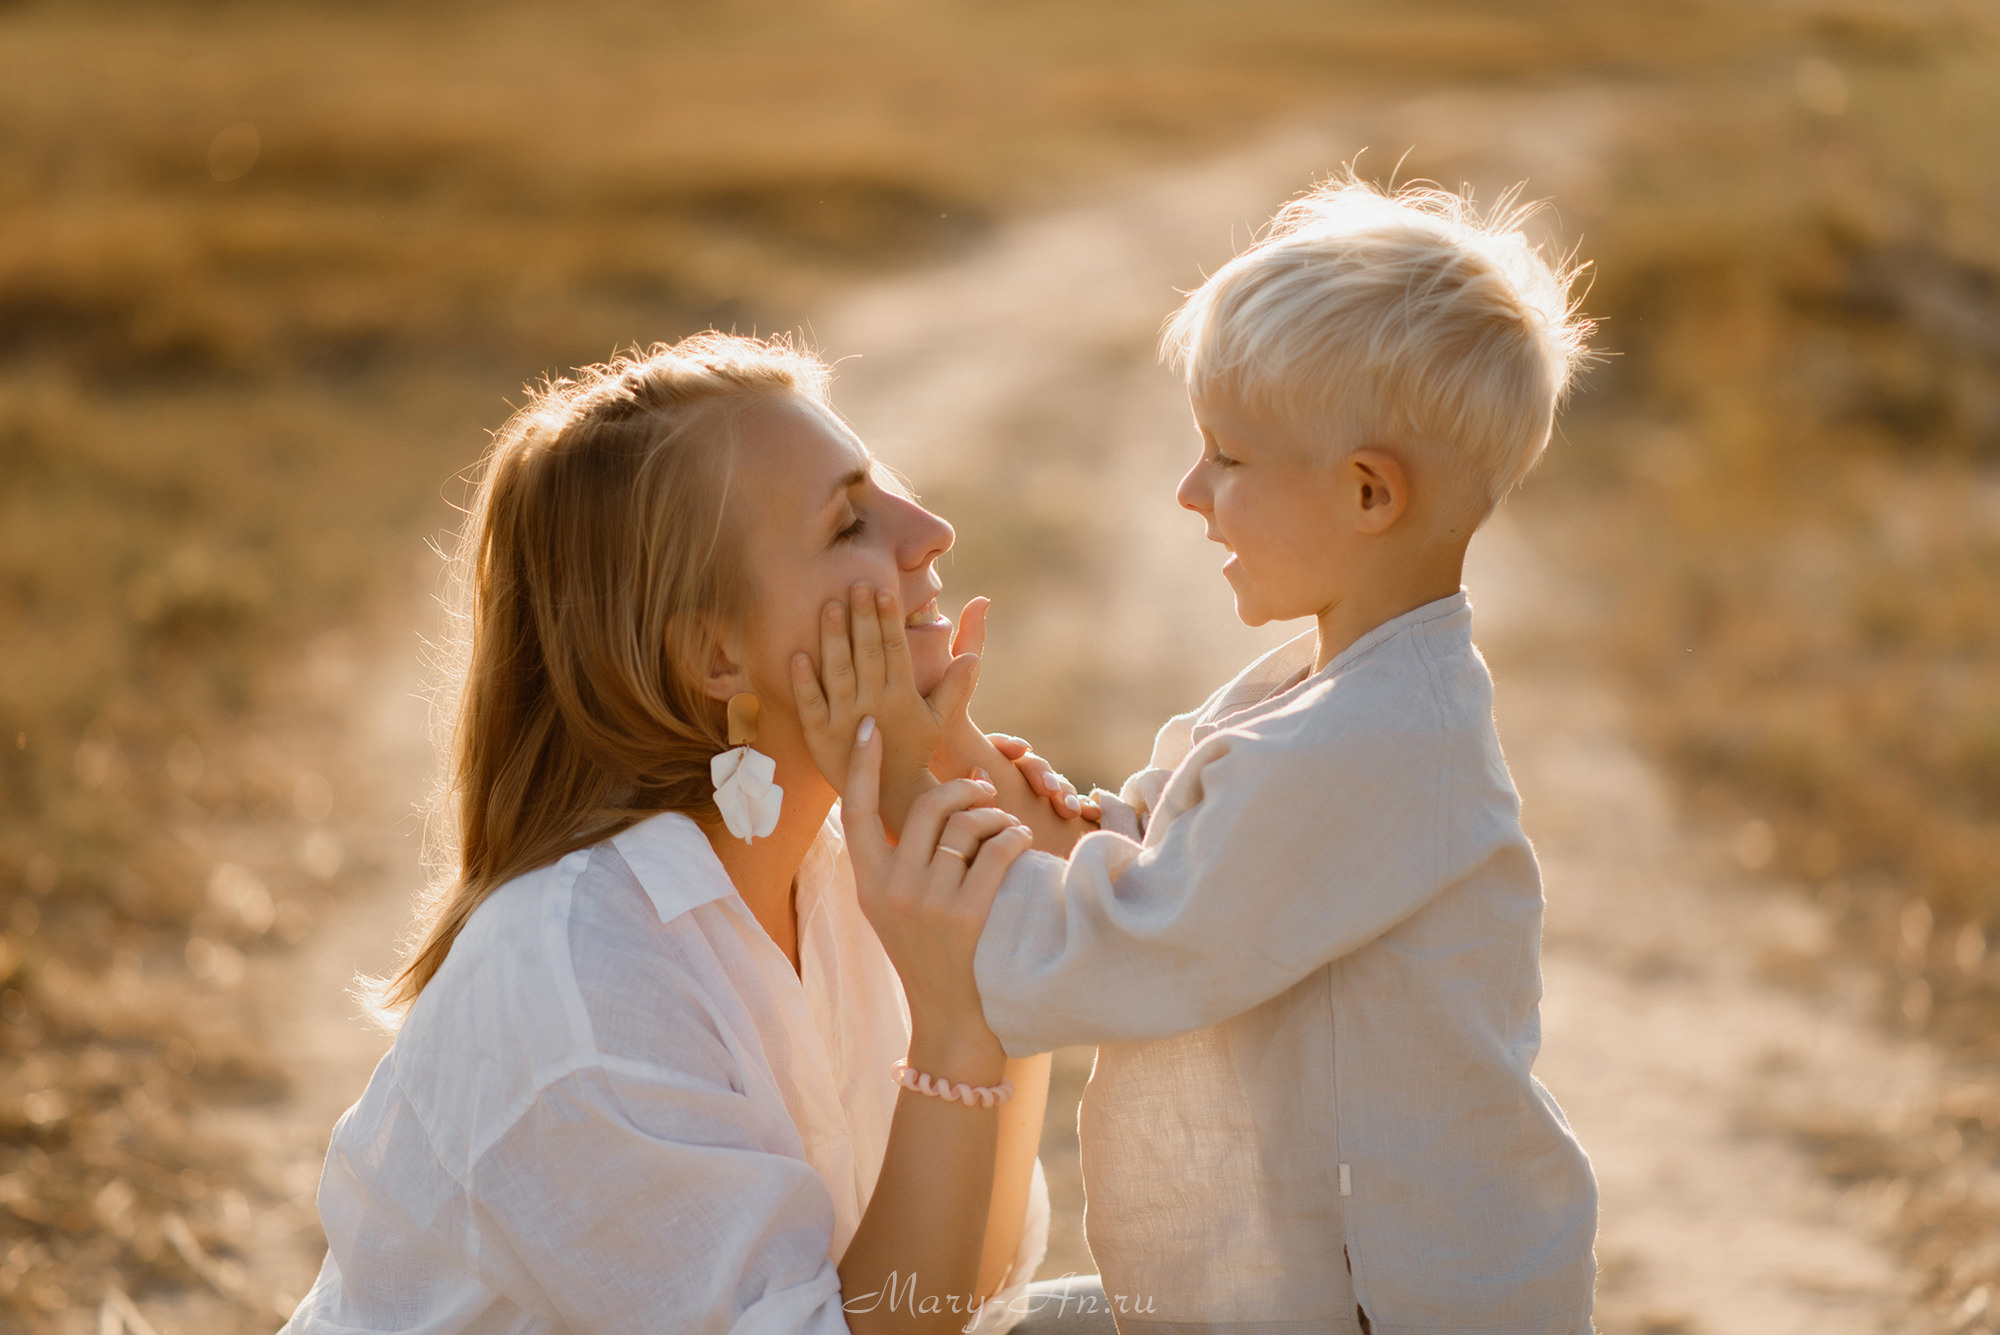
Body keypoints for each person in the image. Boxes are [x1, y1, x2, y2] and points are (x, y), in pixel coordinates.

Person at [810, 176, 1601, 1333]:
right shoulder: (1323, 692)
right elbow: (1149, 857)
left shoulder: (1377, 743)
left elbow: (1147, 939)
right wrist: (953, 752)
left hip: (1386, 1303)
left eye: (1225, 458)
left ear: (1368, 491)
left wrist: (910, 840)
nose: (1189, 493)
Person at [281, 334, 1103, 1334]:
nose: (929, 529)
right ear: (717, 655)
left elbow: (959, 1295)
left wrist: (1000, 940)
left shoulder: (848, 870)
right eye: (850, 523)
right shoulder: (582, 972)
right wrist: (955, 1032)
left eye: (887, 492)